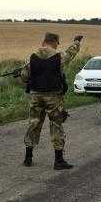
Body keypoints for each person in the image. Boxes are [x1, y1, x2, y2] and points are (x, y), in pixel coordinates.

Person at [20, 33, 83, 170]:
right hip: (53, 96)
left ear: (44, 41)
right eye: (57, 43)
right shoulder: (58, 56)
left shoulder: (31, 57)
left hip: (36, 95)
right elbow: (70, 53)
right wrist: (77, 42)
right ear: (54, 42)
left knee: (33, 124)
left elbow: (24, 76)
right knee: (56, 125)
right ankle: (58, 160)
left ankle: (28, 158)